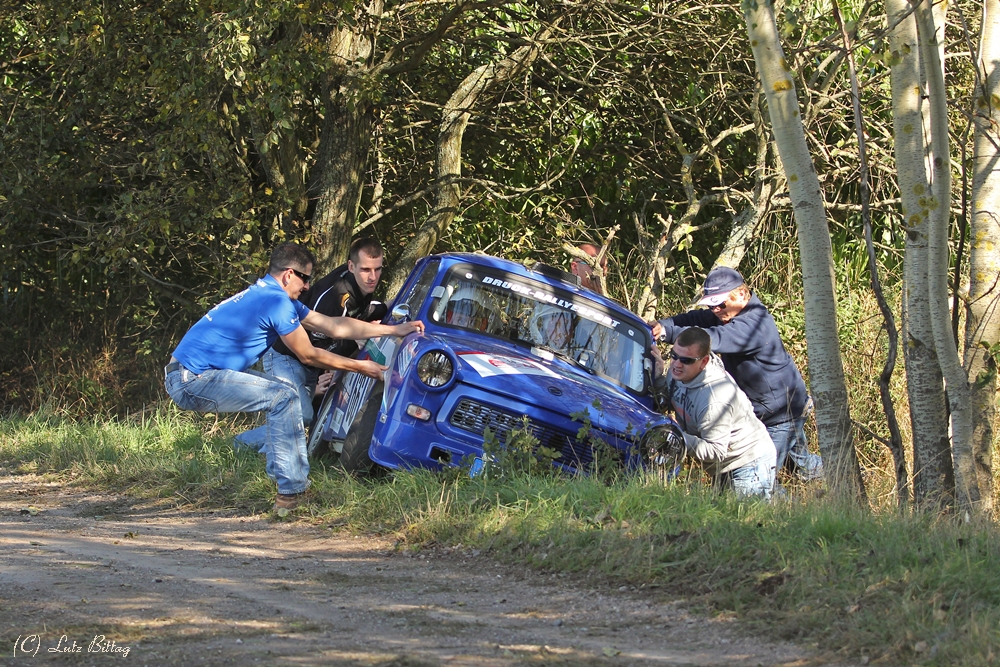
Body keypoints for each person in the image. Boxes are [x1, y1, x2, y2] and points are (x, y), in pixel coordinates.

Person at [164, 243, 424, 511]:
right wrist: (361, 367)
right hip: (191, 379)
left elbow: (334, 325)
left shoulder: (274, 296)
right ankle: (291, 494)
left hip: (194, 375)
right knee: (285, 398)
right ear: (289, 275)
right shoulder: (276, 302)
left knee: (284, 400)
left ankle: (286, 485)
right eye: (306, 278)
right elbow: (308, 355)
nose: (308, 287)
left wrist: (395, 330)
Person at [650, 266, 822, 482]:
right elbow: (697, 318)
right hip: (765, 408)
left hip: (780, 413)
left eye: (720, 304)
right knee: (802, 464)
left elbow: (715, 338)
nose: (716, 310)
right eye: (712, 306)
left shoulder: (756, 324)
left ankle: (788, 508)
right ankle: (841, 472)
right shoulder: (726, 313)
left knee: (761, 476)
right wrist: (664, 325)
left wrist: (671, 333)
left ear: (741, 294)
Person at [236, 237, 388, 450]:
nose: (372, 277)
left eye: (377, 269)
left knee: (301, 416)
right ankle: (253, 454)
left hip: (309, 359)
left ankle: (243, 446)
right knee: (299, 415)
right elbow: (309, 349)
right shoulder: (335, 299)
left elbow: (371, 310)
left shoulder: (360, 289)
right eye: (365, 270)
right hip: (287, 355)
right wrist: (344, 354)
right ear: (351, 266)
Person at [655, 327, 776, 499]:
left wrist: (676, 436)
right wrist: (659, 376)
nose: (676, 364)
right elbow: (669, 401)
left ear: (704, 362)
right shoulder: (677, 374)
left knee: (746, 522)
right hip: (723, 465)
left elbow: (716, 451)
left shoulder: (715, 398)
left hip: (748, 463)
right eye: (674, 356)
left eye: (686, 360)